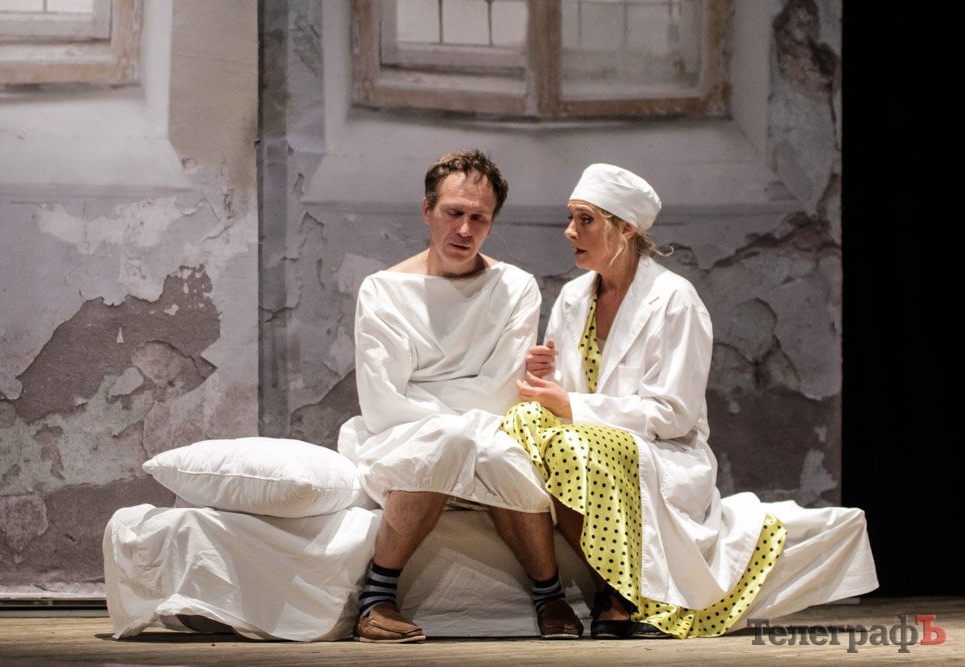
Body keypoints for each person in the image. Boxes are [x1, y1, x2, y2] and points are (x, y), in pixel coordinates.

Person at [501, 163, 877, 639]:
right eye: (571, 218)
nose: (570, 231)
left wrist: (572, 407)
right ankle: (601, 592)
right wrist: (546, 378)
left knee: (570, 447)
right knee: (523, 420)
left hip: (660, 451)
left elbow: (673, 415)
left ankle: (624, 598)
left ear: (626, 229)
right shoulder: (575, 297)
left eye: (586, 219)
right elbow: (570, 389)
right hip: (590, 445)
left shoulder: (675, 300)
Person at [338, 150, 583, 643]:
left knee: (497, 450)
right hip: (400, 432)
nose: (465, 230)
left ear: (492, 223)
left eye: (479, 218)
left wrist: (430, 389)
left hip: (488, 429)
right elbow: (384, 401)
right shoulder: (383, 291)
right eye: (454, 213)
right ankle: (376, 600)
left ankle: (549, 595)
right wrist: (462, 404)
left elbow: (500, 394)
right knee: (450, 440)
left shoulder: (515, 287)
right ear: (427, 210)